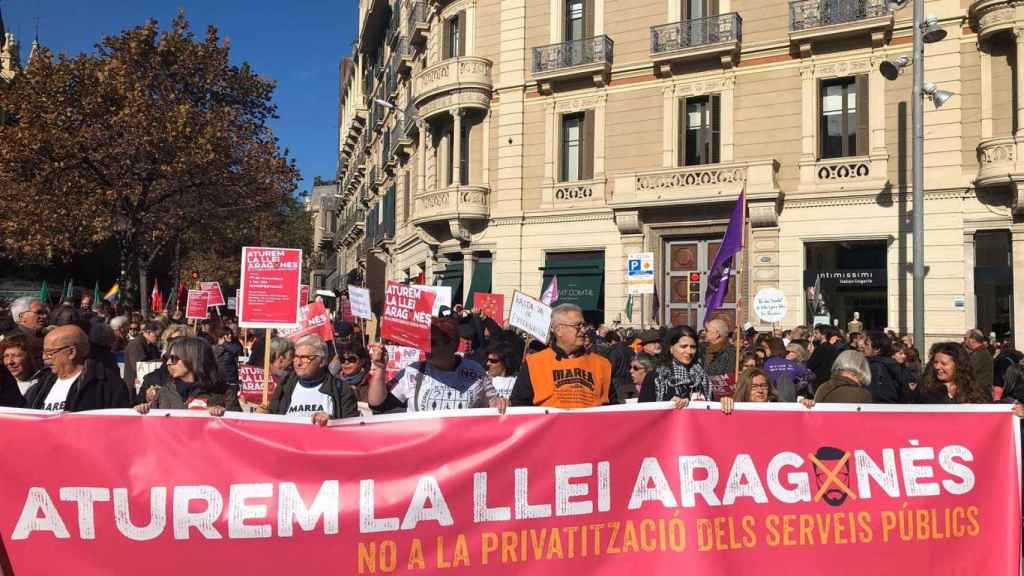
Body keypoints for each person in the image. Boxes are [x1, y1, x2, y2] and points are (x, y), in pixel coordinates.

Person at [370, 317, 505, 413]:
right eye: (425, 342)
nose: (427, 347)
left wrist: (499, 403)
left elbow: (492, 404)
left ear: (452, 345)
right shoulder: (414, 371)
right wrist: (380, 369)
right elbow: (378, 404)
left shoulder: (475, 371)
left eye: (433, 343)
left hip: (462, 449)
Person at [510, 304, 614, 409]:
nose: (583, 330)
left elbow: (615, 408)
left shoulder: (602, 364)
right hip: (551, 424)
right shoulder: (534, 363)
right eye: (578, 326)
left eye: (584, 325)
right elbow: (519, 407)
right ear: (559, 330)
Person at [25, 325, 130, 412]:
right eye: (44, 353)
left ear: (71, 352)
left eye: (50, 353)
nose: (44, 357)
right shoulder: (40, 386)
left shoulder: (108, 385)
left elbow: (118, 426)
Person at [265, 335, 359, 425]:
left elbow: (350, 427)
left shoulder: (341, 389)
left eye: (305, 358)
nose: (298, 363)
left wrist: (331, 422)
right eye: (296, 357)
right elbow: (273, 416)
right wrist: (263, 413)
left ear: (321, 361)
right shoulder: (285, 384)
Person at [134, 337, 228, 417]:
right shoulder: (164, 392)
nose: (168, 363)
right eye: (167, 358)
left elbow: (236, 426)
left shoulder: (222, 393)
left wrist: (222, 414)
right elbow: (151, 426)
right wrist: (142, 410)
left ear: (193, 359)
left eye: (174, 358)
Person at [639, 325, 708, 407]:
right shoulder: (655, 377)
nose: (689, 351)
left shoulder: (702, 376)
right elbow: (643, 412)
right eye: (683, 346)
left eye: (693, 347)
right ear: (671, 348)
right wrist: (668, 405)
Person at [910, 342, 989, 404]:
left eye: (944, 363)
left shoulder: (977, 390)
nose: (937, 367)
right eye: (935, 362)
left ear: (958, 365)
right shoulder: (924, 389)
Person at [862, 330, 915, 403]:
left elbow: (879, 396)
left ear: (877, 349)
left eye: (866, 344)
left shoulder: (876, 366)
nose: (863, 346)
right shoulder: (892, 364)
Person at [702, 318, 737, 400]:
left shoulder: (730, 352)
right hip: (708, 397)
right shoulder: (706, 350)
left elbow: (724, 375)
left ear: (717, 334)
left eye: (707, 330)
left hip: (724, 399)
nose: (704, 333)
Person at [123, 321, 161, 392]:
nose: (159, 339)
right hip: (136, 387)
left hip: (146, 385)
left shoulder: (151, 345)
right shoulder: (137, 344)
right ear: (149, 332)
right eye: (157, 336)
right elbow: (139, 366)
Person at [6, 296, 47, 362]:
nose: (45, 316)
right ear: (22, 316)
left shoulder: (46, 334)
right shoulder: (9, 340)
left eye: (45, 312)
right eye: (39, 312)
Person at [963, 329, 995, 401]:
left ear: (972, 340)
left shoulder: (980, 354)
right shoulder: (979, 352)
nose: (964, 341)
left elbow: (968, 371)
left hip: (980, 393)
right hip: (980, 391)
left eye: (965, 338)